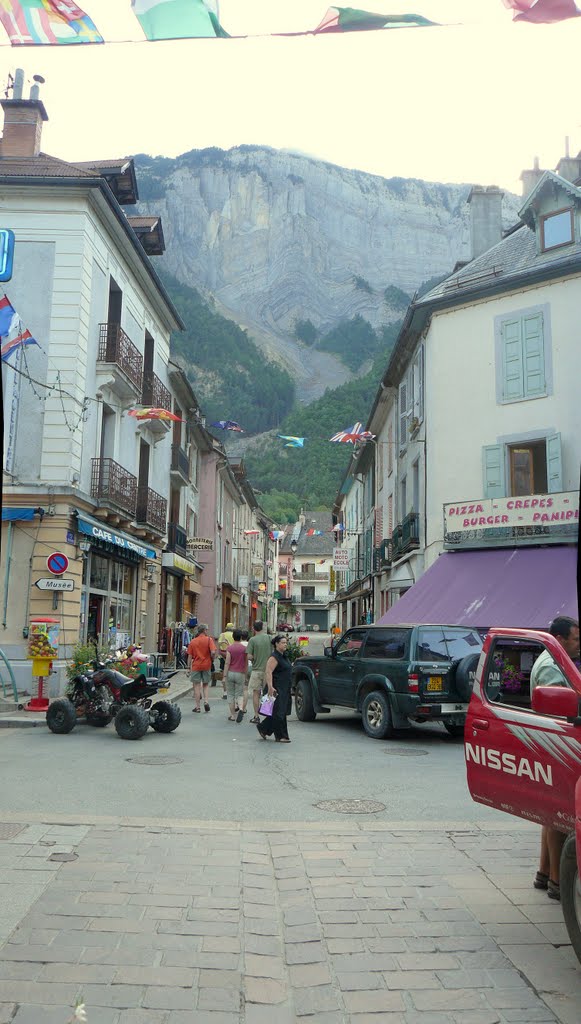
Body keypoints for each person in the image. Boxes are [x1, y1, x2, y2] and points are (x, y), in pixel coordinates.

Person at [530, 615, 580, 901]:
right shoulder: (551, 666)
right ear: (560, 639)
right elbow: (558, 710)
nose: (579, 645)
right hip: (557, 746)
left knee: (549, 814)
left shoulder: (554, 661)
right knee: (559, 815)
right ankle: (558, 882)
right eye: (576, 639)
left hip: (551, 745)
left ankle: (544, 872)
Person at [257, 634, 292, 743]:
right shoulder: (274, 657)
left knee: (279, 711)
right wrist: (271, 687)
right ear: (276, 644)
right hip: (276, 688)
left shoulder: (283, 656)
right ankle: (281, 736)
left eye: (286, 642)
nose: (285, 644)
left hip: (284, 687)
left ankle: (263, 728)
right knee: (279, 712)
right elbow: (268, 672)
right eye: (282, 642)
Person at [246, 620, 272, 724]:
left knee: (256, 693)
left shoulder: (252, 640)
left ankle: (256, 716)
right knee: (267, 693)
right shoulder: (269, 638)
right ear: (262, 627)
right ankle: (267, 715)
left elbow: (249, 656)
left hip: (256, 670)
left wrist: (254, 658)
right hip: (268, 670)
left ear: (253, 629)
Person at [187, 624, 217, 714]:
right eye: (207, 630)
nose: (207, 631)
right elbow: (213, 652)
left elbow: (190, 656)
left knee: (196, 686)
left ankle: (197, 707)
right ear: (204, 631)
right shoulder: (209, 640)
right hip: (206, 665)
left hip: (196, 665)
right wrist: (212, 658)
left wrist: (188, 667)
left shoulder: (193, 641)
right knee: (205, 684)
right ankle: (206, 701)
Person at [223, 628, 248, 723]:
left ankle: (233, 715)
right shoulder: (244, 649)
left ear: (233, 637)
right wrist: (245, 674)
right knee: (240, 694)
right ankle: (241, 708)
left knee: (230, 694)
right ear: (241, 637)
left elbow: (227, 663)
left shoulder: (230, 648)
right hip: (240, 673)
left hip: (230, 673)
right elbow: (246, 663)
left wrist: (224, 676)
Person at [217, 622, 235, 700]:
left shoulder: (222, 635)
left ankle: (225, 692)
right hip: (233, 655)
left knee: (224, 673)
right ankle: (232, 691)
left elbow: (219, 643)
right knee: (232, 673)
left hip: (223, 655)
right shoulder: (234, 635)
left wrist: (224, 643)